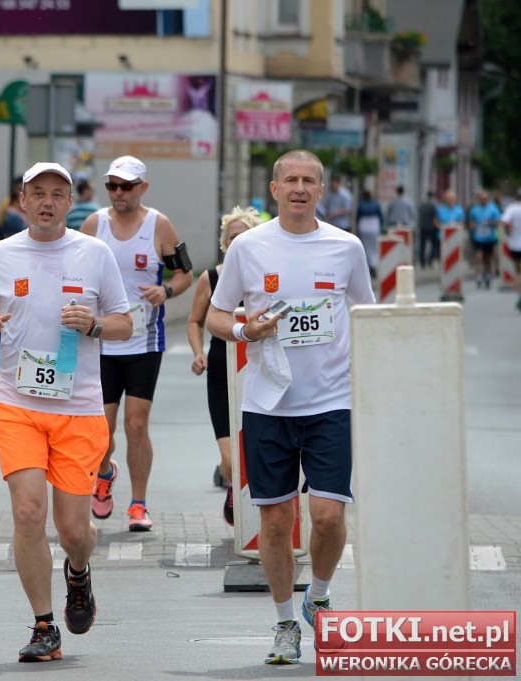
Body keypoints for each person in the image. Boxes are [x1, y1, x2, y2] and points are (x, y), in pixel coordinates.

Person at [0, 162, 132, 663]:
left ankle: (78, 572)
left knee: (74, 530)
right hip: (16, 405)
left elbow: (124, 323)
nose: (48, 202)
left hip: (79, 409)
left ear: (70, 202)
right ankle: (43, 625)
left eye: (58, 193)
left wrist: (95, 325)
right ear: (23, 200)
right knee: (28, 512)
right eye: (38, 193)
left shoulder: (94, 254)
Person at [206, 150, 375, 665]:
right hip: (267, 403)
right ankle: (284, 624)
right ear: (274, 189)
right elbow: (216, 316)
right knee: (276, 524)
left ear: (321, 190)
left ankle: (318, 595)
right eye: (291, 180)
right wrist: (245, 330)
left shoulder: (346, 247)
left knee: (328, 516)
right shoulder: (248, 247)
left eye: (309, 181)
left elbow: (366, 314)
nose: (300, 188)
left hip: (331, 401)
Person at [79, 155, 193, 531]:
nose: (118, 192)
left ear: (142, 188)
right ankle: (104, 472)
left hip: (144, 342)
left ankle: (138, 504)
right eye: (112, 185)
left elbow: (186, 274)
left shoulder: (159, 225)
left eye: (126, 186)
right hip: (101, 342)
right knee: (100, 430)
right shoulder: (94, 225)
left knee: (137, 425)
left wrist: (166, 290)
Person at [187, 206, 263, 526]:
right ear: (224, 243)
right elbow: (194, 320)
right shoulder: (212, 277)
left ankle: (259, 514)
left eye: (244, 237)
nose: (237, 243)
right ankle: (232, 484)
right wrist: (198, 353)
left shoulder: (265, 276)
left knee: (257, 452)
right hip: (220, 370)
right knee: (231, 460)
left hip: (258, 370)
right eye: (232, 238)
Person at [468, 188, 501, 289]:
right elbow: (471, 222)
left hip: (490, 237)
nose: (484, 200)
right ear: (479, 199)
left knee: (488, 258)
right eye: (482, 198)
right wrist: (473, 226)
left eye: (485, 198)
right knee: (478, 257)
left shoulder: (493, 209)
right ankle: (478, 275)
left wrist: (490, 223)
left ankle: (487, 274)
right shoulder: (475, 209)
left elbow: (498, 222)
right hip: (478, 237)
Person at [498, 188, 521, 311]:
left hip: (515, 244)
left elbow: (504, 221)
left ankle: (519, 296)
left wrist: (508, 232)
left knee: (518, 272)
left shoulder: (512, 208)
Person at [355, 189, 383, 276]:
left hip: (364, 227)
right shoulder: (376, 204)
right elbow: (381, 217)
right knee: (374, 248)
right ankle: (373, 265)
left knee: (366, 247)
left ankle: (368, 266)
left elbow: (357, 218)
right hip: (374, 226)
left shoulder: (361, 205)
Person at [418, 191, 439, 267]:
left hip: (423, 227)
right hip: (431, 228)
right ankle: (430, 259)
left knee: (422, 246)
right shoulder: (434, 204)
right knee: (434, 245)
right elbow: (435, 216)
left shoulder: (422, 204)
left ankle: (422, 262)